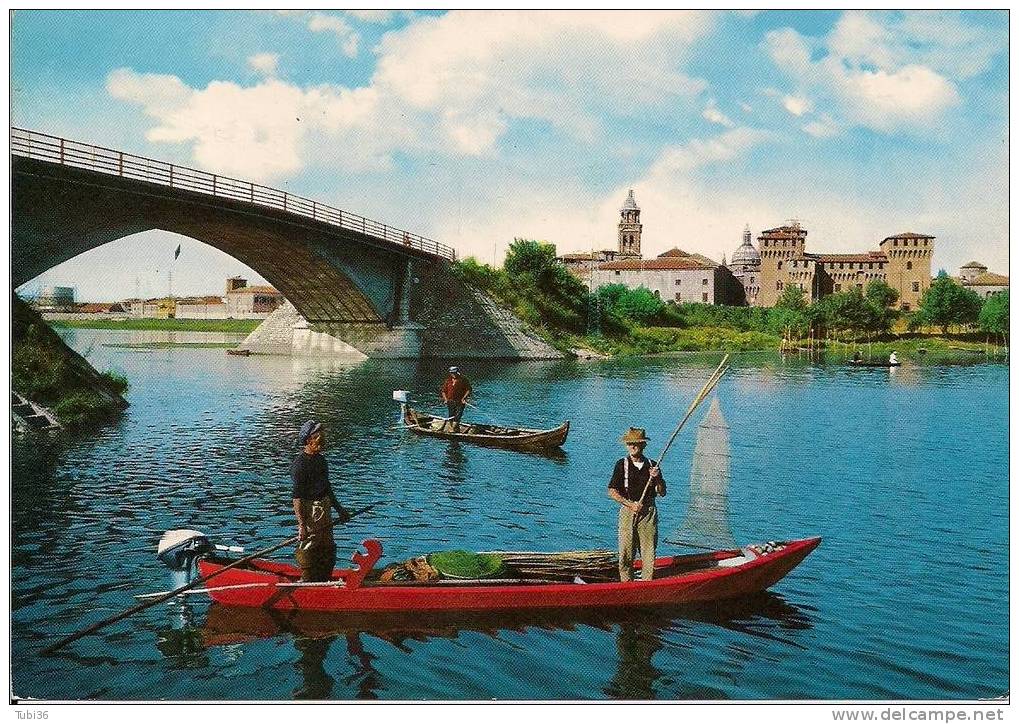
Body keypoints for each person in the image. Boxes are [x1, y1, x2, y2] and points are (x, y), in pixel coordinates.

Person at [291, 420, 350, 582]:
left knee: (327, 543)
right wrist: (302, 525)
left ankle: (324, 577)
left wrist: (339, 509)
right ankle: (308, 579)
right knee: (310, 543)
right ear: (308, 440)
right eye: (317, 437)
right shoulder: (300, 465)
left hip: (324, 505)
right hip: (310, 508)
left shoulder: (321, 460)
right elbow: (297, 497)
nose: (321, 441)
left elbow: (327, 487)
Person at [607, 427, 667, 582]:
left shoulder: (652, 465)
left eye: (636, 443)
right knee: (626, 552)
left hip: (648, 513)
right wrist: (630, 504)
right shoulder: (622, 464)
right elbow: (612, 491)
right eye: (629, 443)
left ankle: (647, 583)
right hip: (628, 511)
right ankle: (626, 584)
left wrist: (658, 478)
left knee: (648, 553)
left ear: (643, 445)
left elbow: (662, 492)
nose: (632, 446)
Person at [439, 366, 472, 431]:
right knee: (451, 415)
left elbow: (469, 389)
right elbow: (443, 391)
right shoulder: (448, 381)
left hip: (460, 401)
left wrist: (464, 398)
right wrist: (445, 399)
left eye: (454, 373)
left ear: (457, 372)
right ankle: (452, 428)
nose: (453, 374)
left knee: (458, 415)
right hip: (450, 401)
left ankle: (453, 429)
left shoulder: (463, 380)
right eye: (452, 373)